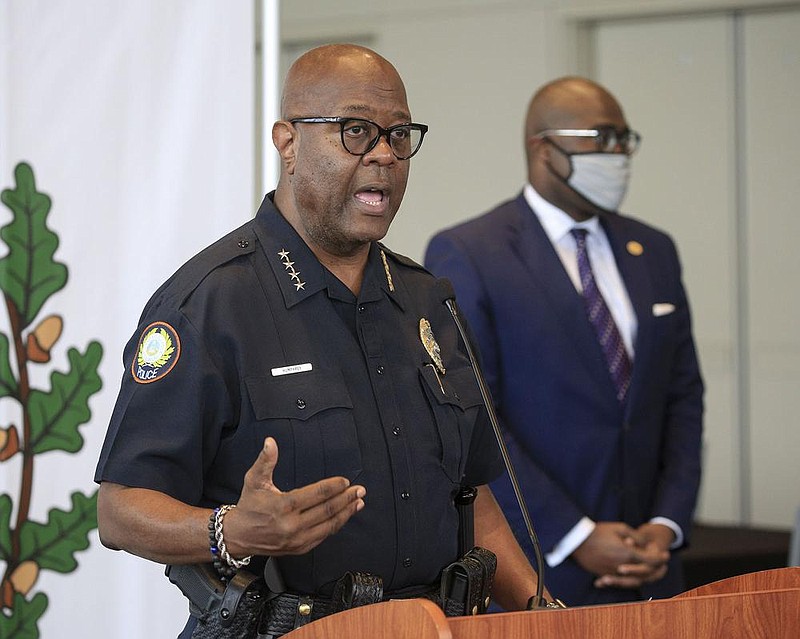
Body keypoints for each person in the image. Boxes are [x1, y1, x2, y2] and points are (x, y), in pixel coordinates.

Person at [94, 44, 547, 637]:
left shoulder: (425, 300)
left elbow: (470, 494)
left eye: (398, 133)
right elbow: (120, 509)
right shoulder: (210, 302)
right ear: (287, 142)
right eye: (355, 131)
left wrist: (548, 615)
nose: (384, 154)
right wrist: (229, 532)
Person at [424, 76, 704, 606]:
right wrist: (575, 534)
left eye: (624, 140)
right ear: (542, 148)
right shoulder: (471, 252)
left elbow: (683, 395)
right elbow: (474, 418)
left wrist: (667, 524)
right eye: (601, 138)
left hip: (655, 568)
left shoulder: (655, 249)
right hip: (539, 572)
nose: (617, 155)